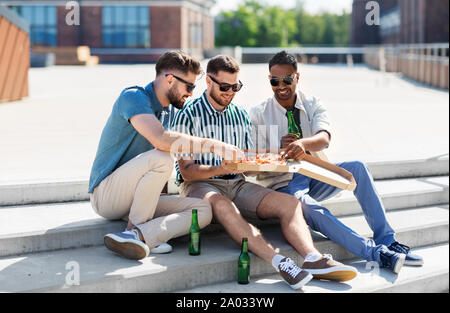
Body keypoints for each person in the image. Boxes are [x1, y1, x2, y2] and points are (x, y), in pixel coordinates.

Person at [171, 55, 358, 290]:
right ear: (208, 82)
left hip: (237, 183)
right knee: (222, 204)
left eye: (236, 87)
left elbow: (248, 160)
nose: (230, 92)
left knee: (289, 204)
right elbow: (187, 173)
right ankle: (280, 263)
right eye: (225, 87)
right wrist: (222, 167)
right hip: (201, 185)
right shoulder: (186, 114)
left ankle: (313, 259)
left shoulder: (240, 115)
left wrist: (275, 155)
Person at [249, 51, 424, 275]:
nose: (280, 86)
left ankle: (388, 240)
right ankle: (377, 254)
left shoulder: (312, 103)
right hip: (283, 184)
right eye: (275, 81)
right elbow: (253, 159)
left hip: (315, 173)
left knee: (357, 167)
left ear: (297, 77)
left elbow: (324, 137)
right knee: (307, 206)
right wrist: (277, 151)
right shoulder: (258, 114)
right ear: (269, 80)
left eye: (287, 80)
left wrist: (303, 144)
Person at [89, 51, 245, 260]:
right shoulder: (133, 97)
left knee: (202, 210)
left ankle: (141, 235)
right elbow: (160, 140)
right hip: (106, 196)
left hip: (135, 199)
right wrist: (214, 146)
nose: (190, 93)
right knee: (163, 156)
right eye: (188, 86)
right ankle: (133, 229)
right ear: (170, 79)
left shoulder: (169, 111)